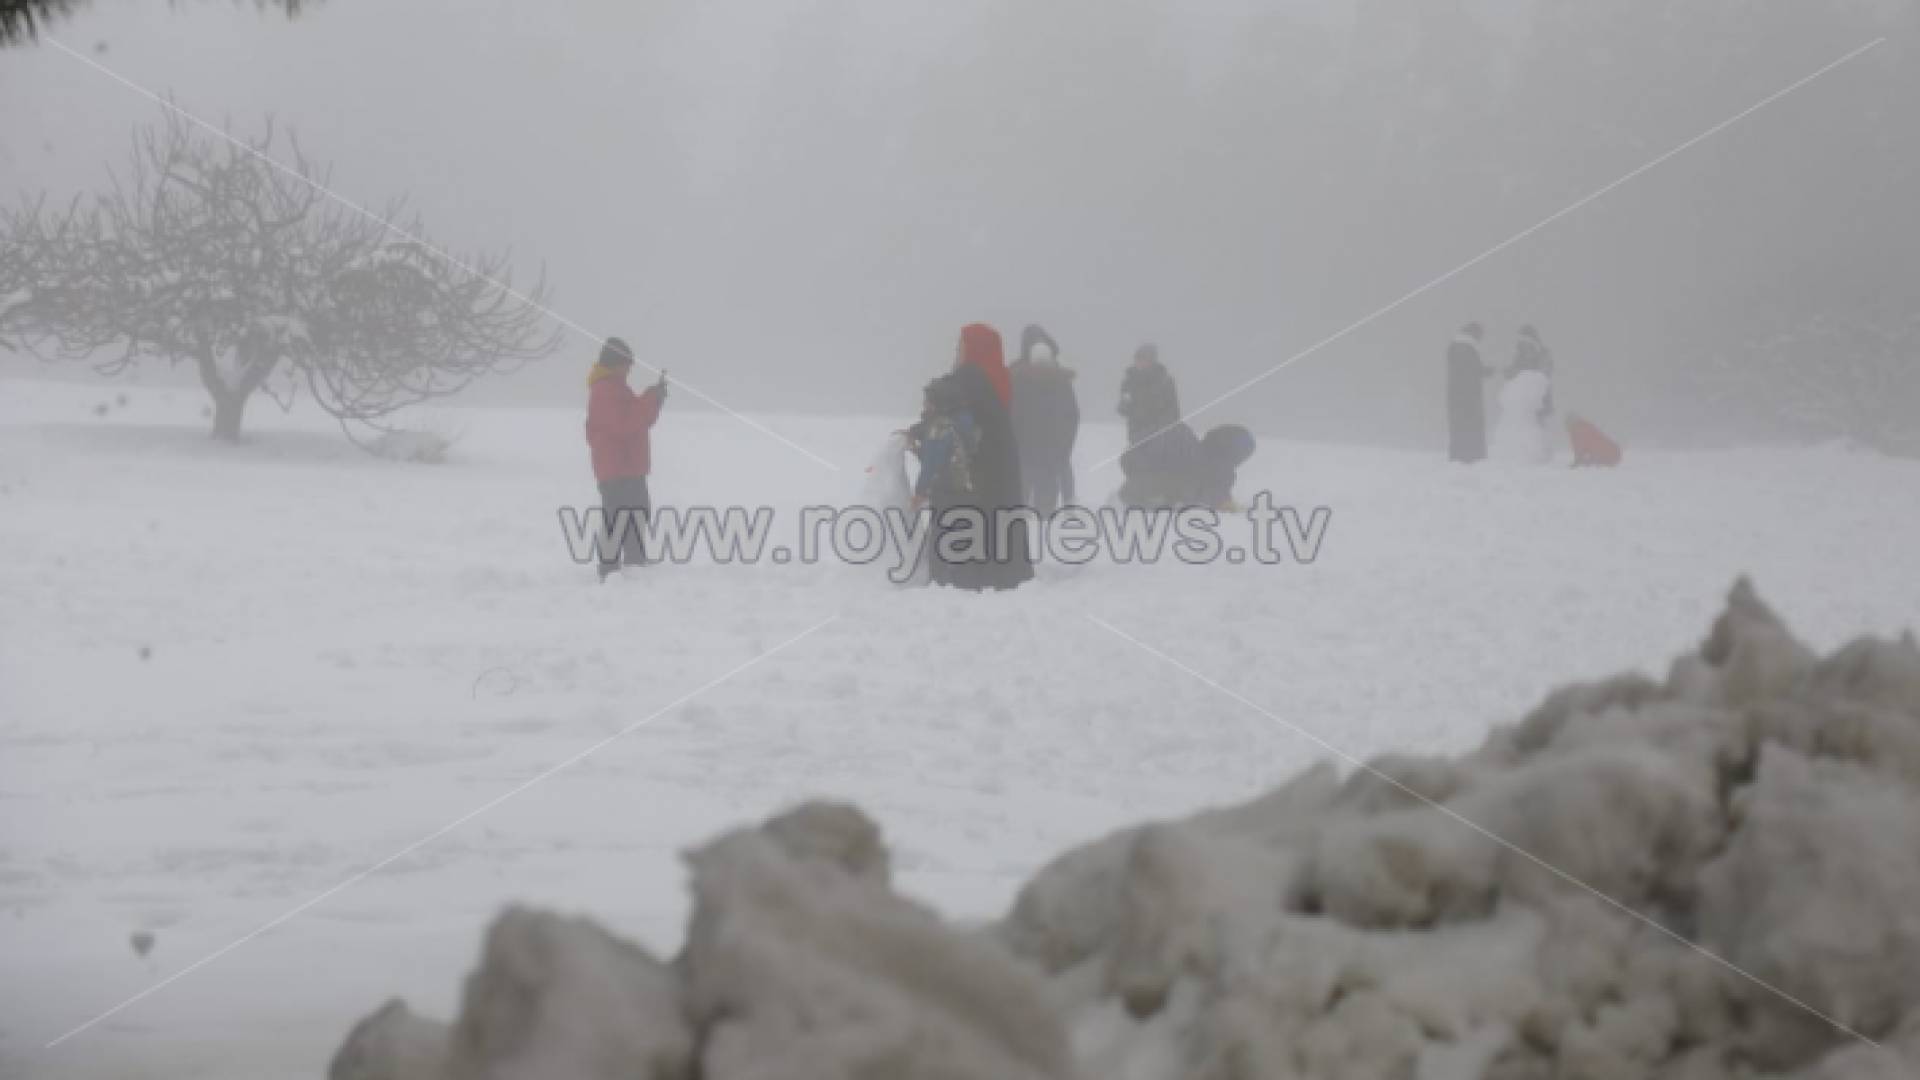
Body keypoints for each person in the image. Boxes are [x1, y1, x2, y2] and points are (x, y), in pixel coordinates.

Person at [908, 324, 1033, 591]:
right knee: (997, 524)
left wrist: (916, 432)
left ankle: (966, 578)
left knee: (969, 522)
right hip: (1001, 465)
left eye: (961, 346)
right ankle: (1002, 574)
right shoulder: (998, 377)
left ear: (974, 349)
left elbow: (946, 417)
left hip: (976, 471)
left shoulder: (968, 378)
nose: (956, 352)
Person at [584, 337, 665, 581]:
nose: (630, 368)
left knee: (636, 514)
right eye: (627, 363)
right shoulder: (605, 389)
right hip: (617, 468)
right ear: (615, 363)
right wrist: (650, 399)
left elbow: (635, 418)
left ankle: (634, 563)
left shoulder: (614, 387)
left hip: (627, 467)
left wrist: (653, 400)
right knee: (618, 519)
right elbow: (625, 425)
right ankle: (610, 569)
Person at [1008, 323, 1080, 515]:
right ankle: (1063, 503)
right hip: (1047, 442)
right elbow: (1071, 415)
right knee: (1051, 476)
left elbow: (1013, 410)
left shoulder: (1018, 374)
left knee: (1031, 477)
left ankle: (1047, 506)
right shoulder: (1058, 376)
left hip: (1031, 441)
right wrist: (1064, 441)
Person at [1117, 343, 1190, 503]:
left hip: (1160, 433)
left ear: (1153, 360)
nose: (1140, 362)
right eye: (1138, 359)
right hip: (1137, 433)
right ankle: (1140, 493)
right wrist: (1125, 406)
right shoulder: (1128, 382)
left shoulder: (1165, 381)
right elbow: (1123, 408)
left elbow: (1173, 410)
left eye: (1144, 359)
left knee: (1160, 464)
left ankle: (1163, 494)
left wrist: (1165, 428)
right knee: (1135, 461)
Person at [1445, 322, 1494, 464]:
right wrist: (1486, 371)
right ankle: (1470, 455)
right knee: (1470, 425)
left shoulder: (1455, 347)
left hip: (1455, 394)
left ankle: (1459, 454)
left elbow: (1463, 370)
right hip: (1469, 395)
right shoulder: (1467, 348)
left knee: (1458, 425)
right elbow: (1471, 370)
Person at [1509, 324, 1555, 420]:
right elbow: (1514, 370)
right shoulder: (1519, 355)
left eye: (1524, 339)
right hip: (1522, 399)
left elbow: (1544, 373)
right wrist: (1510, 372)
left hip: (1537, 398)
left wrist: (1525, 374)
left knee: (1536, 422)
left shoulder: (1543, 353)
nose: (1521, 342)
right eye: (1521, 339)